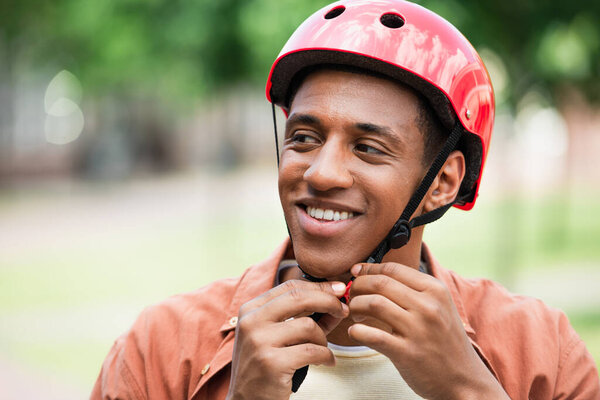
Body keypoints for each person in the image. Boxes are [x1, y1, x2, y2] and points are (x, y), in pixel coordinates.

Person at [91, 1, 600, 399]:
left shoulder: (544, 351)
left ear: (443, 182)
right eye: (304, 138)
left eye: (369, 148)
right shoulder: (156, 350)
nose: (320, 172)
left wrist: (467, 389)